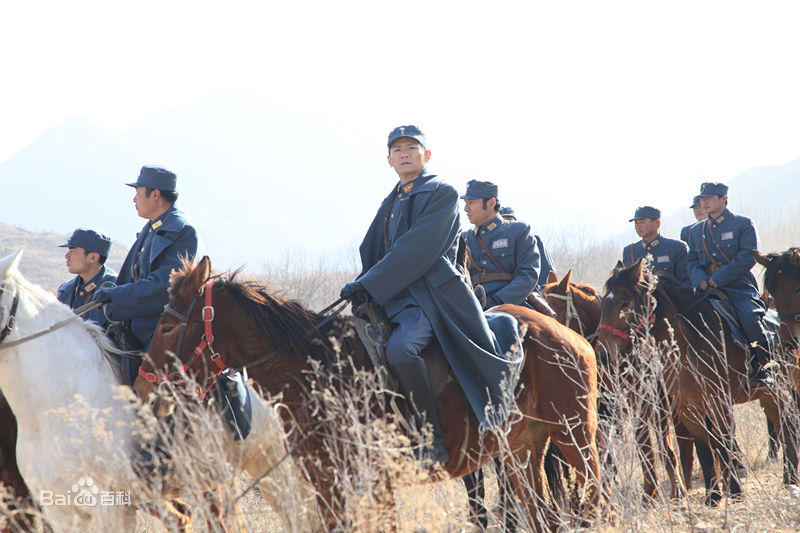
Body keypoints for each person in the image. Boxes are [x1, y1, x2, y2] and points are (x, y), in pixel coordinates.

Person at [340, 125, 521, 464]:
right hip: (393, 293)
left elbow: (416, 251)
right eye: (398, 149)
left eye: (411, 147)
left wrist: (371, 282)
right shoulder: (393, 199)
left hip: (431, 295)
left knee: (400, 347)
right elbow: (374, 249)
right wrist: (362, 284)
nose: (405, 153)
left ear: (427, 155)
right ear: (389, 159)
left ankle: (430, 439)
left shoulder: (442, 193)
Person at [92, 166, 199, 384]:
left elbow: (166, 286)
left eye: (138, 192)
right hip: (135, 325)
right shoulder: (152, 228)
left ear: (156, 194)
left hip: (160, 331)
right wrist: (112, 294)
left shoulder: (181, 230)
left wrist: (118, 295)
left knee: (155, 392)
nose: (134, 199)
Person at [685, 182, 773, 389]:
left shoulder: (742, 224)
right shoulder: (695, 231)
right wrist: (701, 280)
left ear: (724, 199)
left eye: (709, 198)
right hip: (706, 289)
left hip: (738, 286)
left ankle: (763, 366)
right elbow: (692, 261)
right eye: (702, 198)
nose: (703, 202)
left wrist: (719, 278)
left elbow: (747, 257)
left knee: (751, 319)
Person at [461, 183, 543, 310]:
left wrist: (498, 300)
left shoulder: (518, 230)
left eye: (471, 202)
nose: (466, 208)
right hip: (472, 305)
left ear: (491, 203)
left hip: (513, 303)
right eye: (465, 203)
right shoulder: (464, 238)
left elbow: (528, 274)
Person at [57, 229, 117, 329]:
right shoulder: (66, 290)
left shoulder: (115, 287)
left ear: (93, 257)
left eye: (72, 251)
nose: (66, 256)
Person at [622, 206, 690, 287]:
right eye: (636, 223)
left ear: (657, 223)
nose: (638, 226)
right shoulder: (630, 251)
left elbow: (686, 284)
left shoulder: (676, 248)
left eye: (642, 222)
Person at [499, 206, 557, 290]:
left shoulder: (533, 240)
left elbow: (547, 271)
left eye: (509, 220)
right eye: (503, 222)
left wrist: (545, 293)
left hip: (531, 291)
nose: (508, 224)